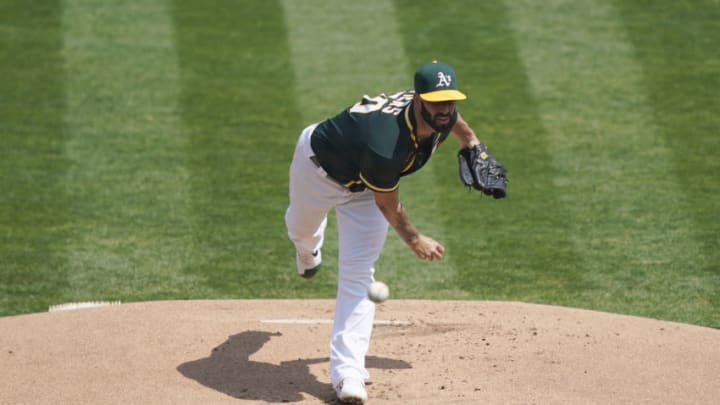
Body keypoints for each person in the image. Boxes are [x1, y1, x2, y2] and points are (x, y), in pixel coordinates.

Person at [285, 61, 485, 404]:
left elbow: (456, 123)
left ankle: (348, 374)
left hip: (364, 189)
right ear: (418, 100)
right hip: (318, 170)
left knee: (359, 274)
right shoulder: (385, 141)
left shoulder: (444, 112)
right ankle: (308, 248)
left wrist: (472, 145)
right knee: (300, 228)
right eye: (437, 101)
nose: (445, 109)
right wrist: (414, 239)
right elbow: (388, 206)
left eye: (450, 100)